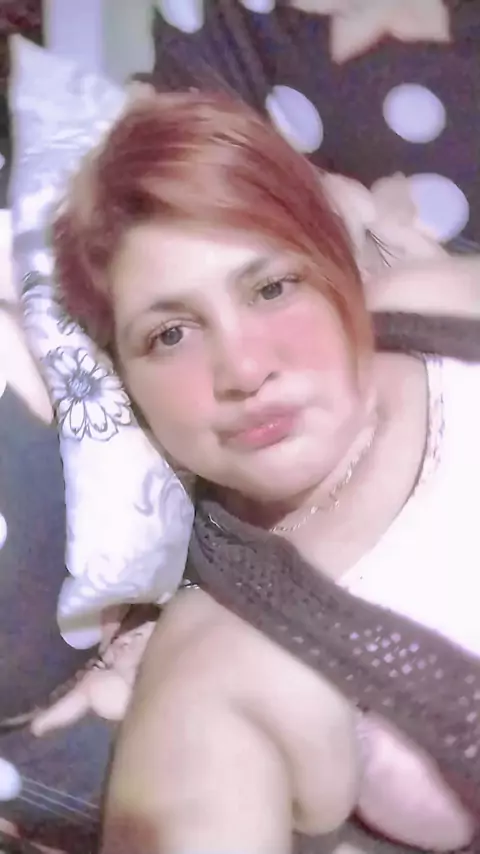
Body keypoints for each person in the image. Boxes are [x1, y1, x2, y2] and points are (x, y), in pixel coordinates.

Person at [51, 91, 480, 854]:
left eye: (272, 288)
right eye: (171, 333)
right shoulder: (221, 654)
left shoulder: (427, 307)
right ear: (123, 380)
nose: (245, 370)